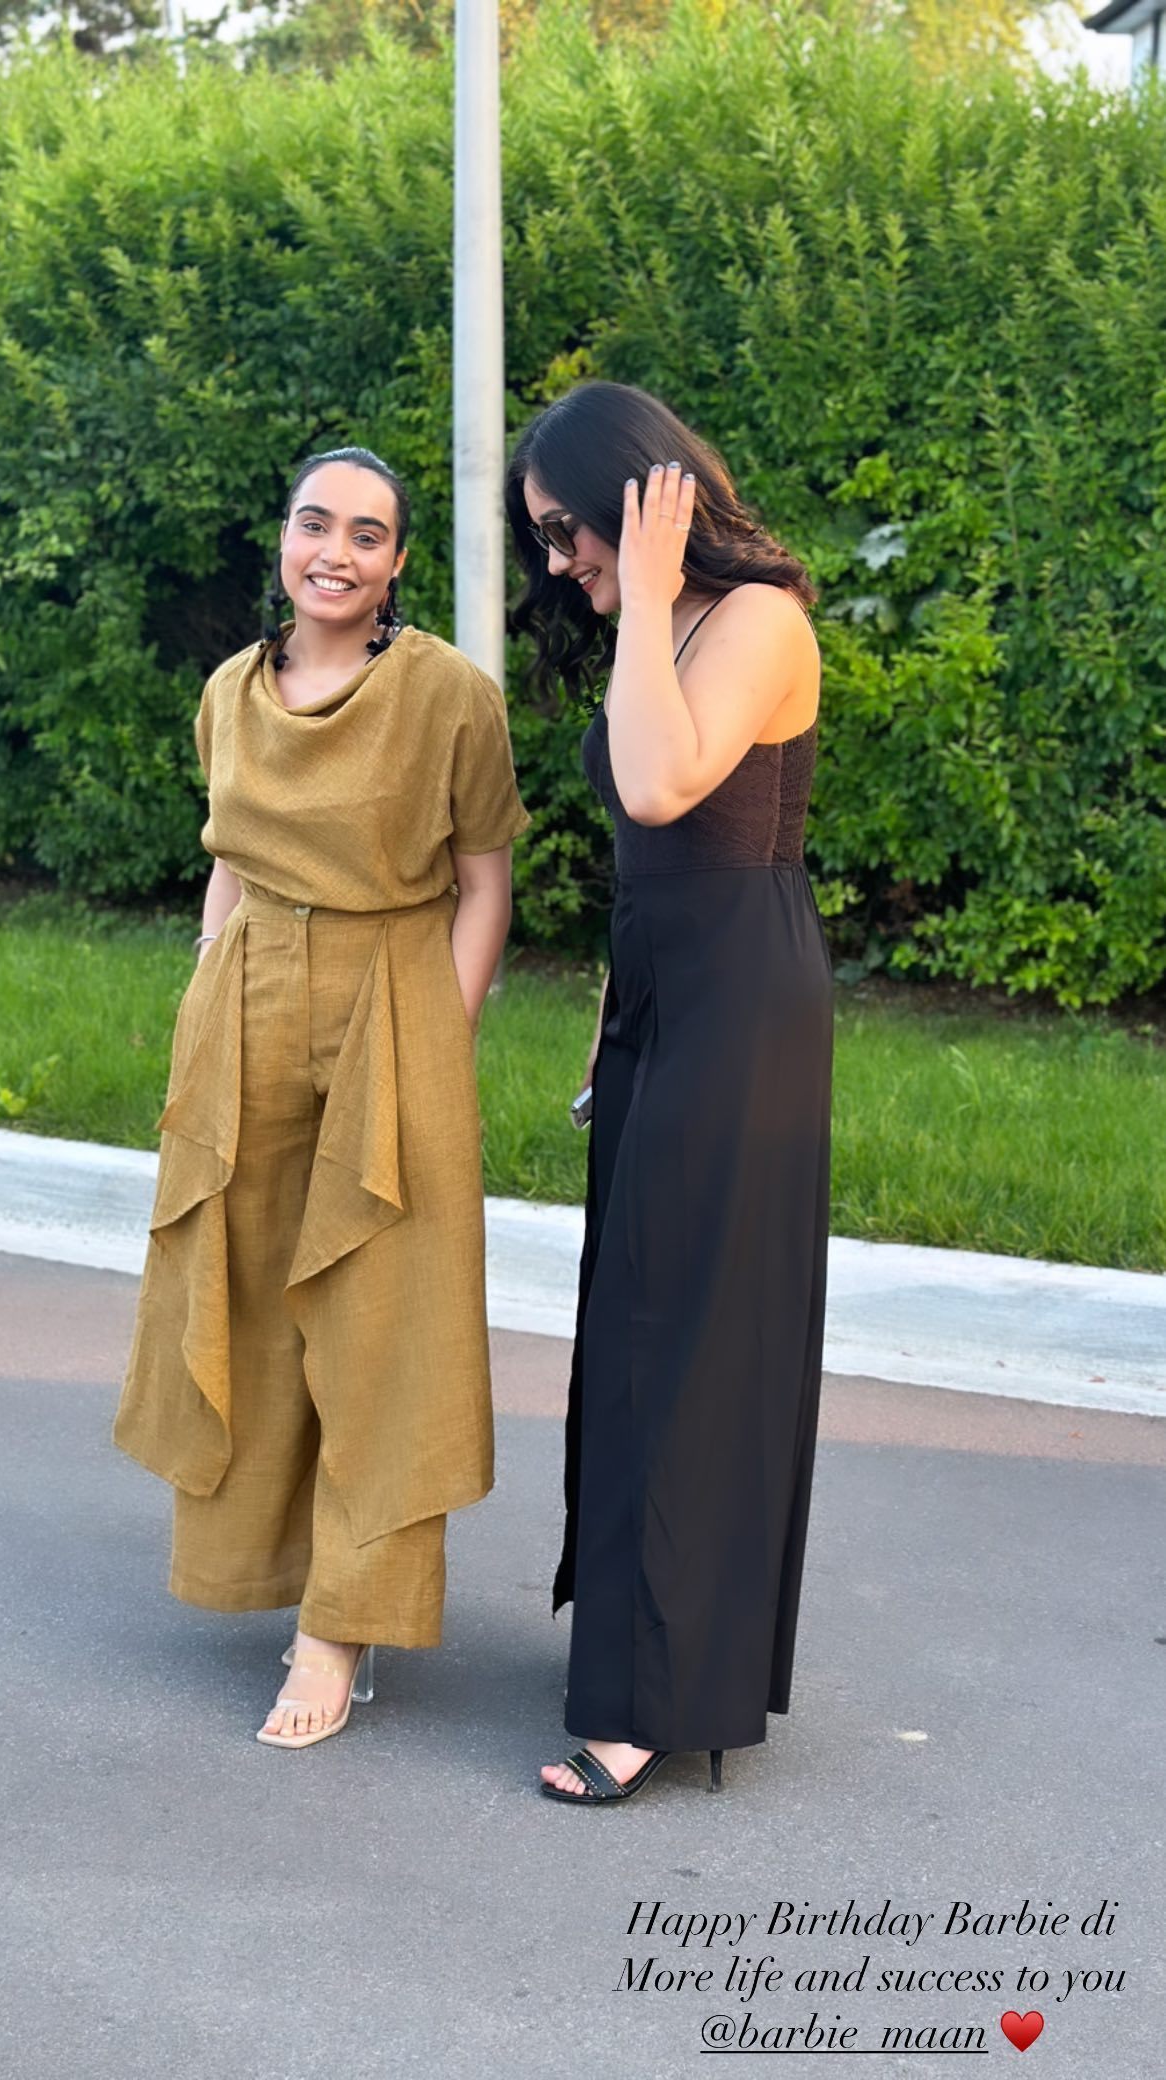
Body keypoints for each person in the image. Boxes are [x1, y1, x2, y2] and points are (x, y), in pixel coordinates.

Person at [115, 446, 529, 1748]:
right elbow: (230, 863)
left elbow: (484, 886)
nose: (335, 552)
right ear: (283, 541)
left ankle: (339, 1630)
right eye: (314, 524)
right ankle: (262, 1569)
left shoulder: (448, 696)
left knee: (381, 1327)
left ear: (397, 563)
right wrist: (206, 989)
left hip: (391, 1001)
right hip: (244, 1003)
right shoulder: (229, 694)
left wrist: (441, 1040)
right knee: (241, 1300)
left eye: (365, 533)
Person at [505, 381, 832, 1804]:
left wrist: (642, 596)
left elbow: (660, 787)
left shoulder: (754, 620)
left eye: (567, 530)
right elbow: (650, 862)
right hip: (662, 998)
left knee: (691, 1333)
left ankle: (656, 1698)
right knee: (634, 1315)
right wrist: (610, 1011)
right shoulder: (669, 625)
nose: (559, 562)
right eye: (545, 540)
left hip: (742, 1008)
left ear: (634, 501)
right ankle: (639, 1655)